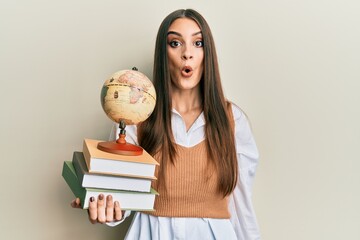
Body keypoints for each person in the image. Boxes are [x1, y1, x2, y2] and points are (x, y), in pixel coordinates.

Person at [71, 8, 260, 240]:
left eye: (198, 43)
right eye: (175, 43)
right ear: (163, 53)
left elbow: (242, 208)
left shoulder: (233, 120)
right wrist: (103, 209)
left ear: (207, 53)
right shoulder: (135, 116)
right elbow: (121, 199)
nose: (187, 53)